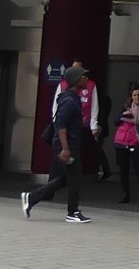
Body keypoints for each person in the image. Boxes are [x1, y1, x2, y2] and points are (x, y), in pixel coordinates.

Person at [25, 66, 91, 223]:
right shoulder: (69, 101)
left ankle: (32, 198)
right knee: (75, 178)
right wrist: (65, 148)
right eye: (83, 77)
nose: (87, 79)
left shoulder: (73, 98)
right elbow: (60, 125)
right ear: (75, 80)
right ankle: (72, 212)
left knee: (66, 178)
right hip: (67, 146)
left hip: (70, 144)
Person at [113, 83, 139, 205]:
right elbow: (116, 121)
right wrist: (123, 115)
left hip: (136, 142)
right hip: (121, 141)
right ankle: (125, 194)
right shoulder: (125, 107)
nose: (137, 97)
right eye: (134, 95)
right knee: (123, 169)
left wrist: (138, 120)